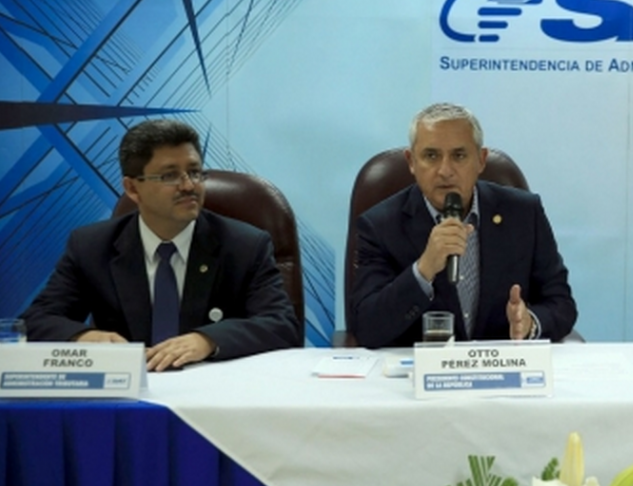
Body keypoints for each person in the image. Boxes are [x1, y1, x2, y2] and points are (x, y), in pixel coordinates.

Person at [22, 119, 302, 370]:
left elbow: (281, 324)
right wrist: (85, 337)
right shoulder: (91, 246)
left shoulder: (244, 245)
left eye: (195, 172)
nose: (188, 185)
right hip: (127, 393)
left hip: (212, 392)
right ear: (133, 188)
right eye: (170, 176)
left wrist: (207, 340)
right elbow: (36, 320)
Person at [352, 102, 577, 348]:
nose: (445, 171)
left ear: (481, 160)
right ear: (411, 161)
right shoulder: (379, 226)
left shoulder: (523, 213)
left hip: (500, 366)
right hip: (419, 368)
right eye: (431, 156)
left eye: (459, 156)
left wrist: (530, 324)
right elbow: (367, 327)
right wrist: (424, 269)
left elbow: (561, 303)